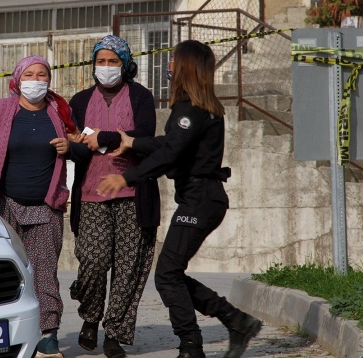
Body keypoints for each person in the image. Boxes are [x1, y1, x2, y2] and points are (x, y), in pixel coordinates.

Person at [96, 40, 262, 358]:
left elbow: (172, 152)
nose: (169, 66)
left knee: (167, 275)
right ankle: (235, 322)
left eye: (173, 60)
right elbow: (172, 143)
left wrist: (127, 177)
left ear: (185, 67)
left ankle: (194, 345)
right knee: (170, 273)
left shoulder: (191, 108)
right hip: (201, 197)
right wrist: (133, 143)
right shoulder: (196, 107)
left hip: (201, 198)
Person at [0, 55, 77, 358]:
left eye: (42, 75)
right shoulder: (1, 110)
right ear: (17, 79)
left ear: (49, 80)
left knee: (44, 273)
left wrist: (71, 147)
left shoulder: (60, 112)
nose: (36, 81)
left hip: (46, 207)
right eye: (29, 75)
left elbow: (82, 146)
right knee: (2, 273)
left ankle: (48, 335)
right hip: (4, 206)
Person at [67, 35, 160, 358]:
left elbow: (144, 136)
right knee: (93, 261)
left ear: (125, 64)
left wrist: (102, 137)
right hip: (91, 194)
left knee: (128, 267)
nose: (106, 67)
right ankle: (91, 316)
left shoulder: (141, 96)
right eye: (101, 61)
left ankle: (114, 333)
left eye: (113, 61)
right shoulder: (79, 101)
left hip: (134, 193)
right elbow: (79, 150)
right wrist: (71, 145)